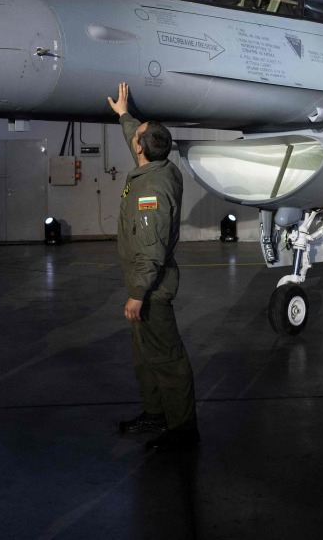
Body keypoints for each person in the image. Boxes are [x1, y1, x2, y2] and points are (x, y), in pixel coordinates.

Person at [107, 82, 199, 451]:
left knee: (166, 359)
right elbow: (138, 136)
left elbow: (151, 248)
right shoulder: (158, 167)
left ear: (140, 150)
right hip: (143, 284)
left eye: (138, 137)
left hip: (151, 289)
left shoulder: (151, 191)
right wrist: (124, 115)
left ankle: (182, 430)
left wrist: (137, 294)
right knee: (144, 357)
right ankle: (156, 414)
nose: (135, 138)